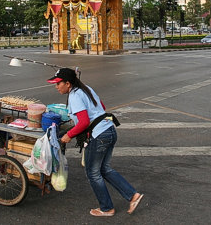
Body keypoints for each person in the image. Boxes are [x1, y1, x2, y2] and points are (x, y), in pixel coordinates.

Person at [49, 68, 144, 217]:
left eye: (58, 83)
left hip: (99, 135)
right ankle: (133, 195)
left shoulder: (75, 96)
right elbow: (102, 108)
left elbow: (84, 121)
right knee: (104, 169)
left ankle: (107, 208)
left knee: (92, 173)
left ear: (67, 83)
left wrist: (69, 135)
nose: (56, 87)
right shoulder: (86, 89)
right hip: (109, 130)